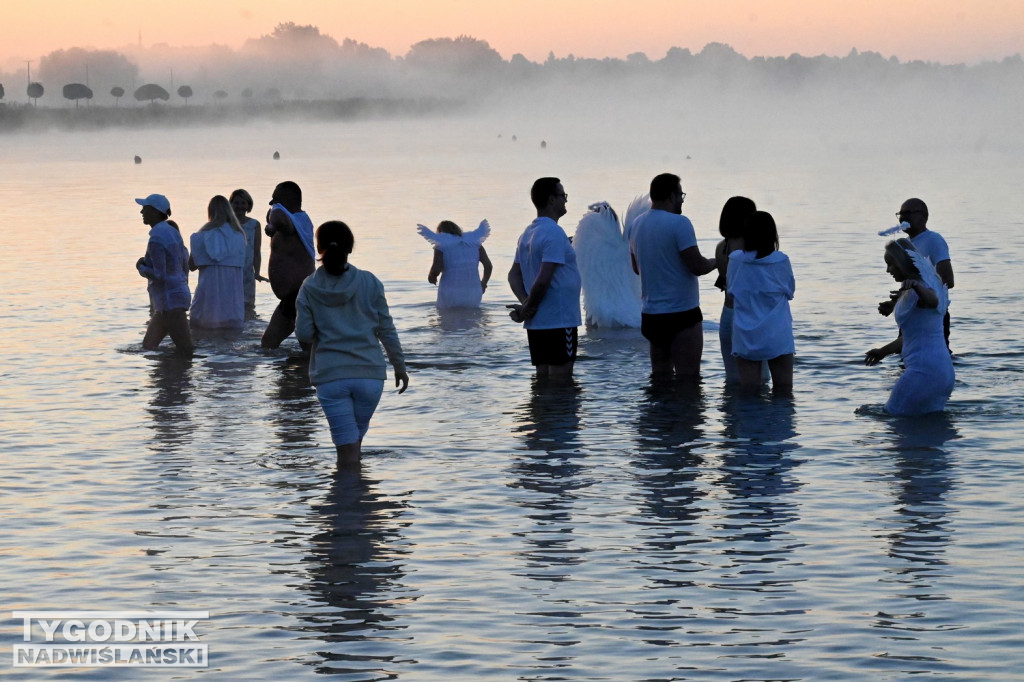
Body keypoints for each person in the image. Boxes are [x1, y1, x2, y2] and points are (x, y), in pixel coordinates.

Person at [295, 221, 409, 467]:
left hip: (331, 377)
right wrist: (399, 366)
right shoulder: (369, 282)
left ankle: (346, 500)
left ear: (319, 246)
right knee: (353, 448)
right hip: (370, 377)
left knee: (346, 453)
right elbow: (386, 329)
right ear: (350, 247)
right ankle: (358, 499)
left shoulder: (310, 286)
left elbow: (303, 334)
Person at [628, 173, 716, 377]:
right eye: (680, 195)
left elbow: (636, 268)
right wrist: (716, 262)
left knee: (660, 379)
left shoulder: (637, 225)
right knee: (689, 379)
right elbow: (697, 266)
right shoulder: (680, 223)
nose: (682, 201)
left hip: (651, 315)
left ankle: (660, 410)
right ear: (670, 196)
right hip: (682, 315)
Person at [865, 239, 954, 415]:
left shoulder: (923, 287)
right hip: (943, 372)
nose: (888, 270)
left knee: (893, 419)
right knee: (929, 434)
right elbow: (913, 335)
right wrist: (882, 351)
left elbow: (932, 300)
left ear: (902, 263)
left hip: (923, 372)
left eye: (891, 264)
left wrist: (916, 287)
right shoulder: (918, 286)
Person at [507, 177, 582, 379]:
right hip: (558, 320)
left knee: (542, 379)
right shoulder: (553, 232)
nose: (565, 200)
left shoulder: (528, 233)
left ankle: (542, 412)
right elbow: (543, 279)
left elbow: (513, 275)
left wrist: (526, 304)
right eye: (562, 196)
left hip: (538, 324)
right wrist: (528, 307)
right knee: (561, 381)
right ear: (551, 200)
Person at [727, 211, 796, 391]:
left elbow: (731, 295)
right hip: (777, 332)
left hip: (745, 333)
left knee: (749, 395)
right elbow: (790, 292)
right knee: (783, 393)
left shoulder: (735, 260)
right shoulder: (781, 260)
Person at [877, 198, 955, 352]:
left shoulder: (933, 240)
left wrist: (923, 293)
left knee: (936, 352)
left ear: (924, 216)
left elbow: (947, 280)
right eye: (900, 214)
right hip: (911, 314)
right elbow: (913, 284)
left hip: (932, 313)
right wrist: (895, 303)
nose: (903, 218)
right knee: (907, 355)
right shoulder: (904, 244)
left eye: (908, 213)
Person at [135, 193, 194, 355]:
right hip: (172, 299)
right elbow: (184, 263)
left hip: (170, 302)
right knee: (148, 347)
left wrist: (141, 267)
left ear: (155, 211)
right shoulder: (172, 231)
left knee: (186, 352)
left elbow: (160, 275)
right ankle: (167, 377)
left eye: (145, 209)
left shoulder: (156, 238)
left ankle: (181, 378)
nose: (141, 212)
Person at [263, 181, 315, 349]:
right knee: (270, 343)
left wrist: (272, 223)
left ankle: (300, 373)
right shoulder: (299, 220)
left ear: (286, 200)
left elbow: (281, 220)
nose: (271, 204)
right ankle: (295, 374)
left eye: (275, 199)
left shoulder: (291, 219)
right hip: (293, 297)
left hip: (297, 296)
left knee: (271, 345)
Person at [713, 196, 759, 383]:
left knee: (732, 378)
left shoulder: (720, 248)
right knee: (759, 379)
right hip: (749, 316)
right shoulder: (753, 250)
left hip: (727, 314)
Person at [189, 195, 247, 330]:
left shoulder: (201, 236)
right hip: (232, 293)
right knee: (230, 335)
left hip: (208, 290)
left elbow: (191, 266)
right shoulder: (239, 236)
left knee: (202, 331)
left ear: (210, 212)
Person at [416, 219, 493, 309]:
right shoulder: (474, 243)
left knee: (447, 320)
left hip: (450, 292)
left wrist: (431, 276)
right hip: (473, 291)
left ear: (441, 233)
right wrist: (483, 284)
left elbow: (436, 269)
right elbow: (488, 266)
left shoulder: (442, 244)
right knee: (473, 319)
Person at [230, 188, 266, 316]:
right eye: (236, 203)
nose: (239, 206)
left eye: (243, 203)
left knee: (248, 307)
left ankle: (248, 333)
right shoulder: (225, 223)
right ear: (231, 205)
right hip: (229, 271)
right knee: (230, 305)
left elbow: (257, 251)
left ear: (248, 205)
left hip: (247, 273)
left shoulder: (255, 224)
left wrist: (257, 272)